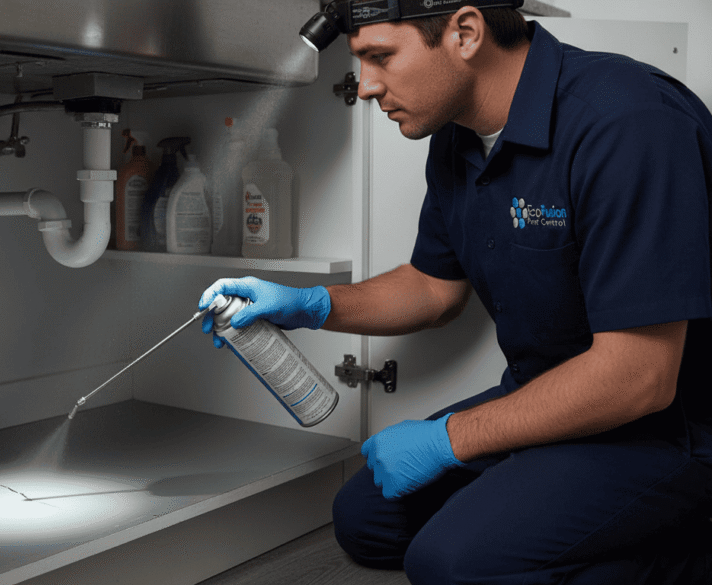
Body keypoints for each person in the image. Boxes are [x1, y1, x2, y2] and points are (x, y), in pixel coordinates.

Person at [198, 4, 712, 584]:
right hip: (554, 400)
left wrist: (449, 441)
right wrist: (308, 304)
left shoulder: (627, 121)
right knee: (365, 517)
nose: (364, 87)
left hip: (670, 428)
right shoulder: (457, 141)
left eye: (380, 57)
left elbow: (639, 376)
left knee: (450, 565)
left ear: (464, 33)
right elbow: (433, 288)